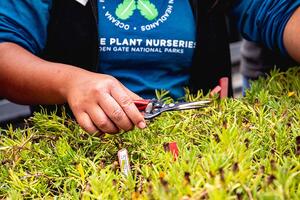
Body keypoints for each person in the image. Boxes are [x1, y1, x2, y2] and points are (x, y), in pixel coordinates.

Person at [0, 0, 300, 135]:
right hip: (79, 148)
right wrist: (70, 83)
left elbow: (278, 13)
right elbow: (5, 52)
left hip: (194, 144)